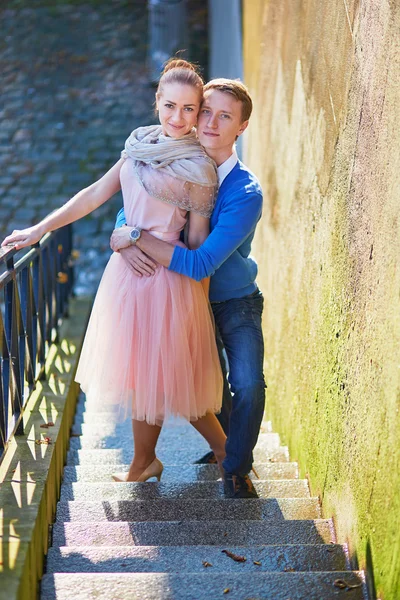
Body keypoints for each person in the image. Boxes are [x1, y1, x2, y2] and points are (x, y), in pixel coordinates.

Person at [1, 59, 228, 484]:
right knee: (146, 378)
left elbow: (197, 242)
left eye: (189, 109)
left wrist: (195, 300)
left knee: (177, 379)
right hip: (126, 279)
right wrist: (39, 228)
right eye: (170, 106)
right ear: (156, 103)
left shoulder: (199, 168)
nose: (178, 118)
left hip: (168, 282)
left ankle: (226, 453)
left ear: (199, 113)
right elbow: (94, 194)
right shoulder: (138, 145)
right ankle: (145, 463)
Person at [110, 78, 266, 499]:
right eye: (206, 112)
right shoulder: (179, 156)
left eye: (225, 116)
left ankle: (234, 467)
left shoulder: (245, 192)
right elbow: (135, 203)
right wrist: (121, 232)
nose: (210, 123)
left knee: (246, 383)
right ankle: (167, 458)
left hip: (230, 300)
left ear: (242, 126)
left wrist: (136, 237)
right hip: (180, 294)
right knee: (164, 373)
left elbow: (197, 262)